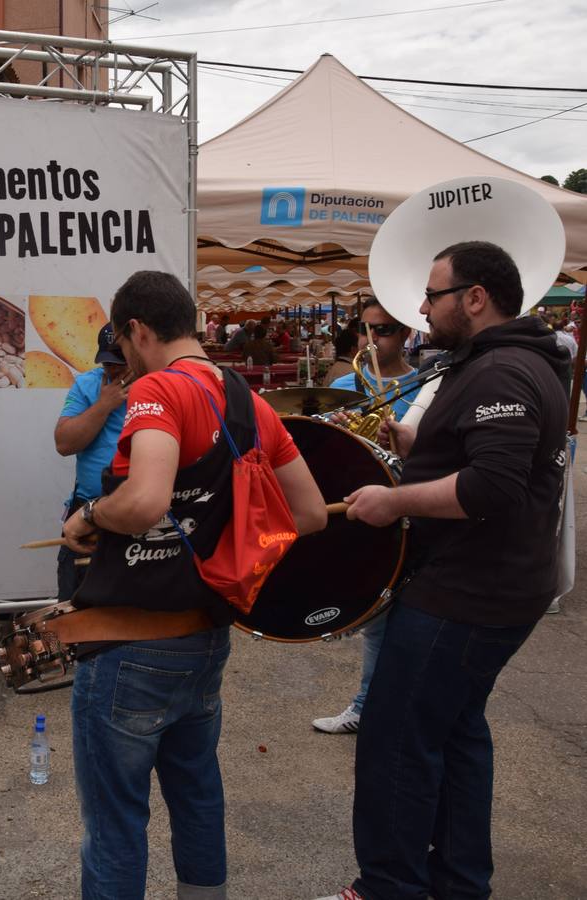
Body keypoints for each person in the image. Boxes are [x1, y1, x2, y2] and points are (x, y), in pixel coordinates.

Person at [316, 241, 569, 900]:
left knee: (396, 742)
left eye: (433, 295)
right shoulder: (493, 364)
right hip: (487, 588)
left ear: (475, 298)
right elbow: (467, 451)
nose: (422, 307)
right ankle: (459, 885)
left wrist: (392, 499)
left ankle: (389, 886)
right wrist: (400, 440)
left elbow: (490, 485)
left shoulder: (503, 371)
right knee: (456, 735)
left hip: (467, 592)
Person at [62, 271, 327, 899]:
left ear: (139, 330)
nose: (123, 357)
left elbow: (146, 500)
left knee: (116, 823)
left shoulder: (158, 389)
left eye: (122, 342)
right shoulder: (251, 402)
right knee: (197, 796)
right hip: (206, 635)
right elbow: (311, 513)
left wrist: (92, 514)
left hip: (130, 643)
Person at [311, 297, 422, 735]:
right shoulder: (347, 381)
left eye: (384, 330)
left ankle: (378, 705)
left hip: (411, 500)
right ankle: (368, 704)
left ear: (406, 335)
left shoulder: (423, 383)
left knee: (403, 618)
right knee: (377, 617)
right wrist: (336, 422)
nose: (371, 339)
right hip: (368, 503)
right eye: (366, 329)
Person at [52, 325, 129, 601]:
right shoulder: (88, 383)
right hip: (86, 507)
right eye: (108, 363)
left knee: (122, 608)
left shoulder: (155, 386)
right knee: (71, 602)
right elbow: (63, 443)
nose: (114, 370)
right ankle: (63, 645)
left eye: (121, 363)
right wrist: (104, 405)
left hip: (136, 512)